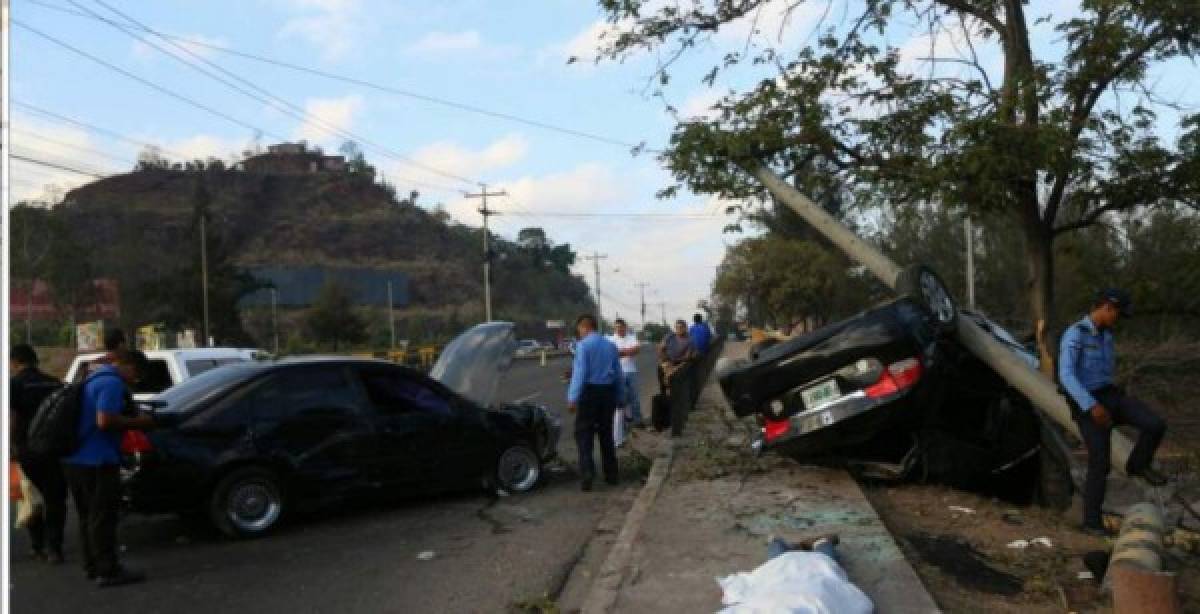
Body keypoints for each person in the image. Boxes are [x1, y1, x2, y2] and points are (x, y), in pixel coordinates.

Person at [1059, 288, 1167, 536]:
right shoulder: (1075, 334)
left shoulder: (1107, 335)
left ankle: (1138, 465)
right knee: (1100, 462)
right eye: (1118, 313)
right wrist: (1091, 406)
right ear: (1107, 307)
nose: (1118, 319)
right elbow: (1066, 375)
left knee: (1155, 424)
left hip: (1110, 395)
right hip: (1086, 401)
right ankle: (1092, 523)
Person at [64, 349, 156, 587]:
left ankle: (92, 566)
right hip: (98, 460)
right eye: (136, 374)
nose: (134, 380)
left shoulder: (91, 378)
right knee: (103, 517)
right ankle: (109, 570)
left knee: (87, 517)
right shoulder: (111, 383)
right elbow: (104, 421)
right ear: (128, 365)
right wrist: (141, 422)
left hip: (76, 459)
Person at [10, 344, 67, 564]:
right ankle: (55, 548)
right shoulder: (54, 383)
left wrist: (11, 446)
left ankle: (38, 546)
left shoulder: (15, 384)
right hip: (54, 449)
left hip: (27, 449)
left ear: (15, 361)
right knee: (55, 498)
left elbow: (12, 417)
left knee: (31, 497)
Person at [567, 314, 624, 492]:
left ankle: (587, 474)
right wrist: (621, 397)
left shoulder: (582, 346)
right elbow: (619, 375)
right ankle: (611, 474)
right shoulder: (611, 346)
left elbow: (580, 374)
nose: (579, 333)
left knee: (584, 434)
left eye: (579, 330)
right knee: (606, 433)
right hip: (608, 393)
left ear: (585, 327)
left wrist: (572, 397)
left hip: (589, 393)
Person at [607, 318, 644, 429]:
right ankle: (621, 424)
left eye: (621, 327)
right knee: (620, 399)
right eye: (617, 327)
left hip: (631, 371)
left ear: (625, 327)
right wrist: (627, 351)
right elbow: (610, 354)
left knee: (634, 398)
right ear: (614, 328)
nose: (619, 329)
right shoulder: (610, 339)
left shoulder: (631, 337)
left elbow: (636, 350)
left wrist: (619, 352)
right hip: (617, 373)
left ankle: (638, 421)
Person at [657, 319, 697, 391]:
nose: (679, 329)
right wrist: (663, 357)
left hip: (680, 363)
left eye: (681, 327)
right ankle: (663, 391)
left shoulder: (690, 340)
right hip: (668, 361)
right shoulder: (669, 336)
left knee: (678, 374)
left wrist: (674, 361)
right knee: (660, 369)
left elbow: (687, 357)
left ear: (685, 328)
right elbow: (661, 348)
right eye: (677, 327)